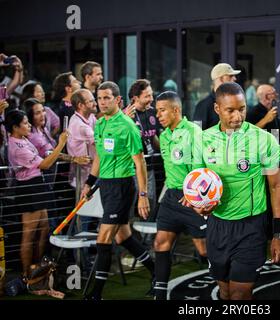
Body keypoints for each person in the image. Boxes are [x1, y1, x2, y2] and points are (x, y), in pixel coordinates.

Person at [184, 82, 280, 300]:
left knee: (240, 294)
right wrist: (198, 205)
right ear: (217, 109)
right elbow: (195, 185)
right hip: (217, 227)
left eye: (242, 109)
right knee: (225, 292)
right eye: (230, 110)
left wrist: (278, 233)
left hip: (251, 227)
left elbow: (276, 186)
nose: (237, 116)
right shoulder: (202, 140)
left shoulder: (264, 139)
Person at [81, 81, 154, 300]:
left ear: (118, 100)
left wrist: (143, 195)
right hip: (106, 186)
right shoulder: (100, 124)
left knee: (103, 240)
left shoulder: (128, 126)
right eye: (99, 98)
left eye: (107, 98)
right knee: (123, 238)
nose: (102, 102)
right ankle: (158, 273)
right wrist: (89, 183)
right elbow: (99, 158)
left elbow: (140, 163)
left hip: (123, 187)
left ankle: (96, 294)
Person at [152, 91, 207, 300]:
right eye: (157, 111)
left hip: (192, 197)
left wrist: (193, 194)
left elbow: (200, 168)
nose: (158, 115)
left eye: (162, 110)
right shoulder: (164, 136)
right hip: (171, 198)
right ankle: (159, 295)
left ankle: (228, 284)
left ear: (176, 110)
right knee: (160, 243)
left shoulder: (194, 132)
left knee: (204, 251)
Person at [5, 110, 69, 274]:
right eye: (25, 123)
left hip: (37, 185)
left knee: (43, 228)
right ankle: (27, 274)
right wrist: (61, 143)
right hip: (28, 188)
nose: (28, 126)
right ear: (15, 127)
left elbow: (43, 160)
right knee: (29, 233)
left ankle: (37, 269)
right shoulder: (15, 145)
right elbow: (45, 165)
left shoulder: (24, 139)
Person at [125, 79, 160, 214]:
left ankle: (147, 236)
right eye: (147, 96)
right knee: (129, 207)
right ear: (135, 98)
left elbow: (153, 137)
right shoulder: (125, 116)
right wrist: (125, 121)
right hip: (130, 170)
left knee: (149, 205)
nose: (151, 99)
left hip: (148, 168)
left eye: (151, 95)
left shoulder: (152, 112)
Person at [67, 89, 98, 232]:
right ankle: (79, 254)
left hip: (92, 176)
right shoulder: (79, 125)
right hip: (82, 180)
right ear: (81, 105)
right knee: (82, 220)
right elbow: (101, 142)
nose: (95, 103)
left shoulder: (90, 116)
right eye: (91, 101)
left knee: (93, 218)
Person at [247, 84, 280, 149]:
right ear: (266, 97)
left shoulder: (272, 109)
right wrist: (265, 119)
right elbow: (248, 133)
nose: (276, 95)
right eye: (273, 93)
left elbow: (277, 127)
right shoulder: (253, 112)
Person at [193, 63, 240, 130]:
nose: (235, 79)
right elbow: (196, 134)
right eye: (230, 76)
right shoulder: (203, 105)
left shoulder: (234, 102)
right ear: (221, 78)